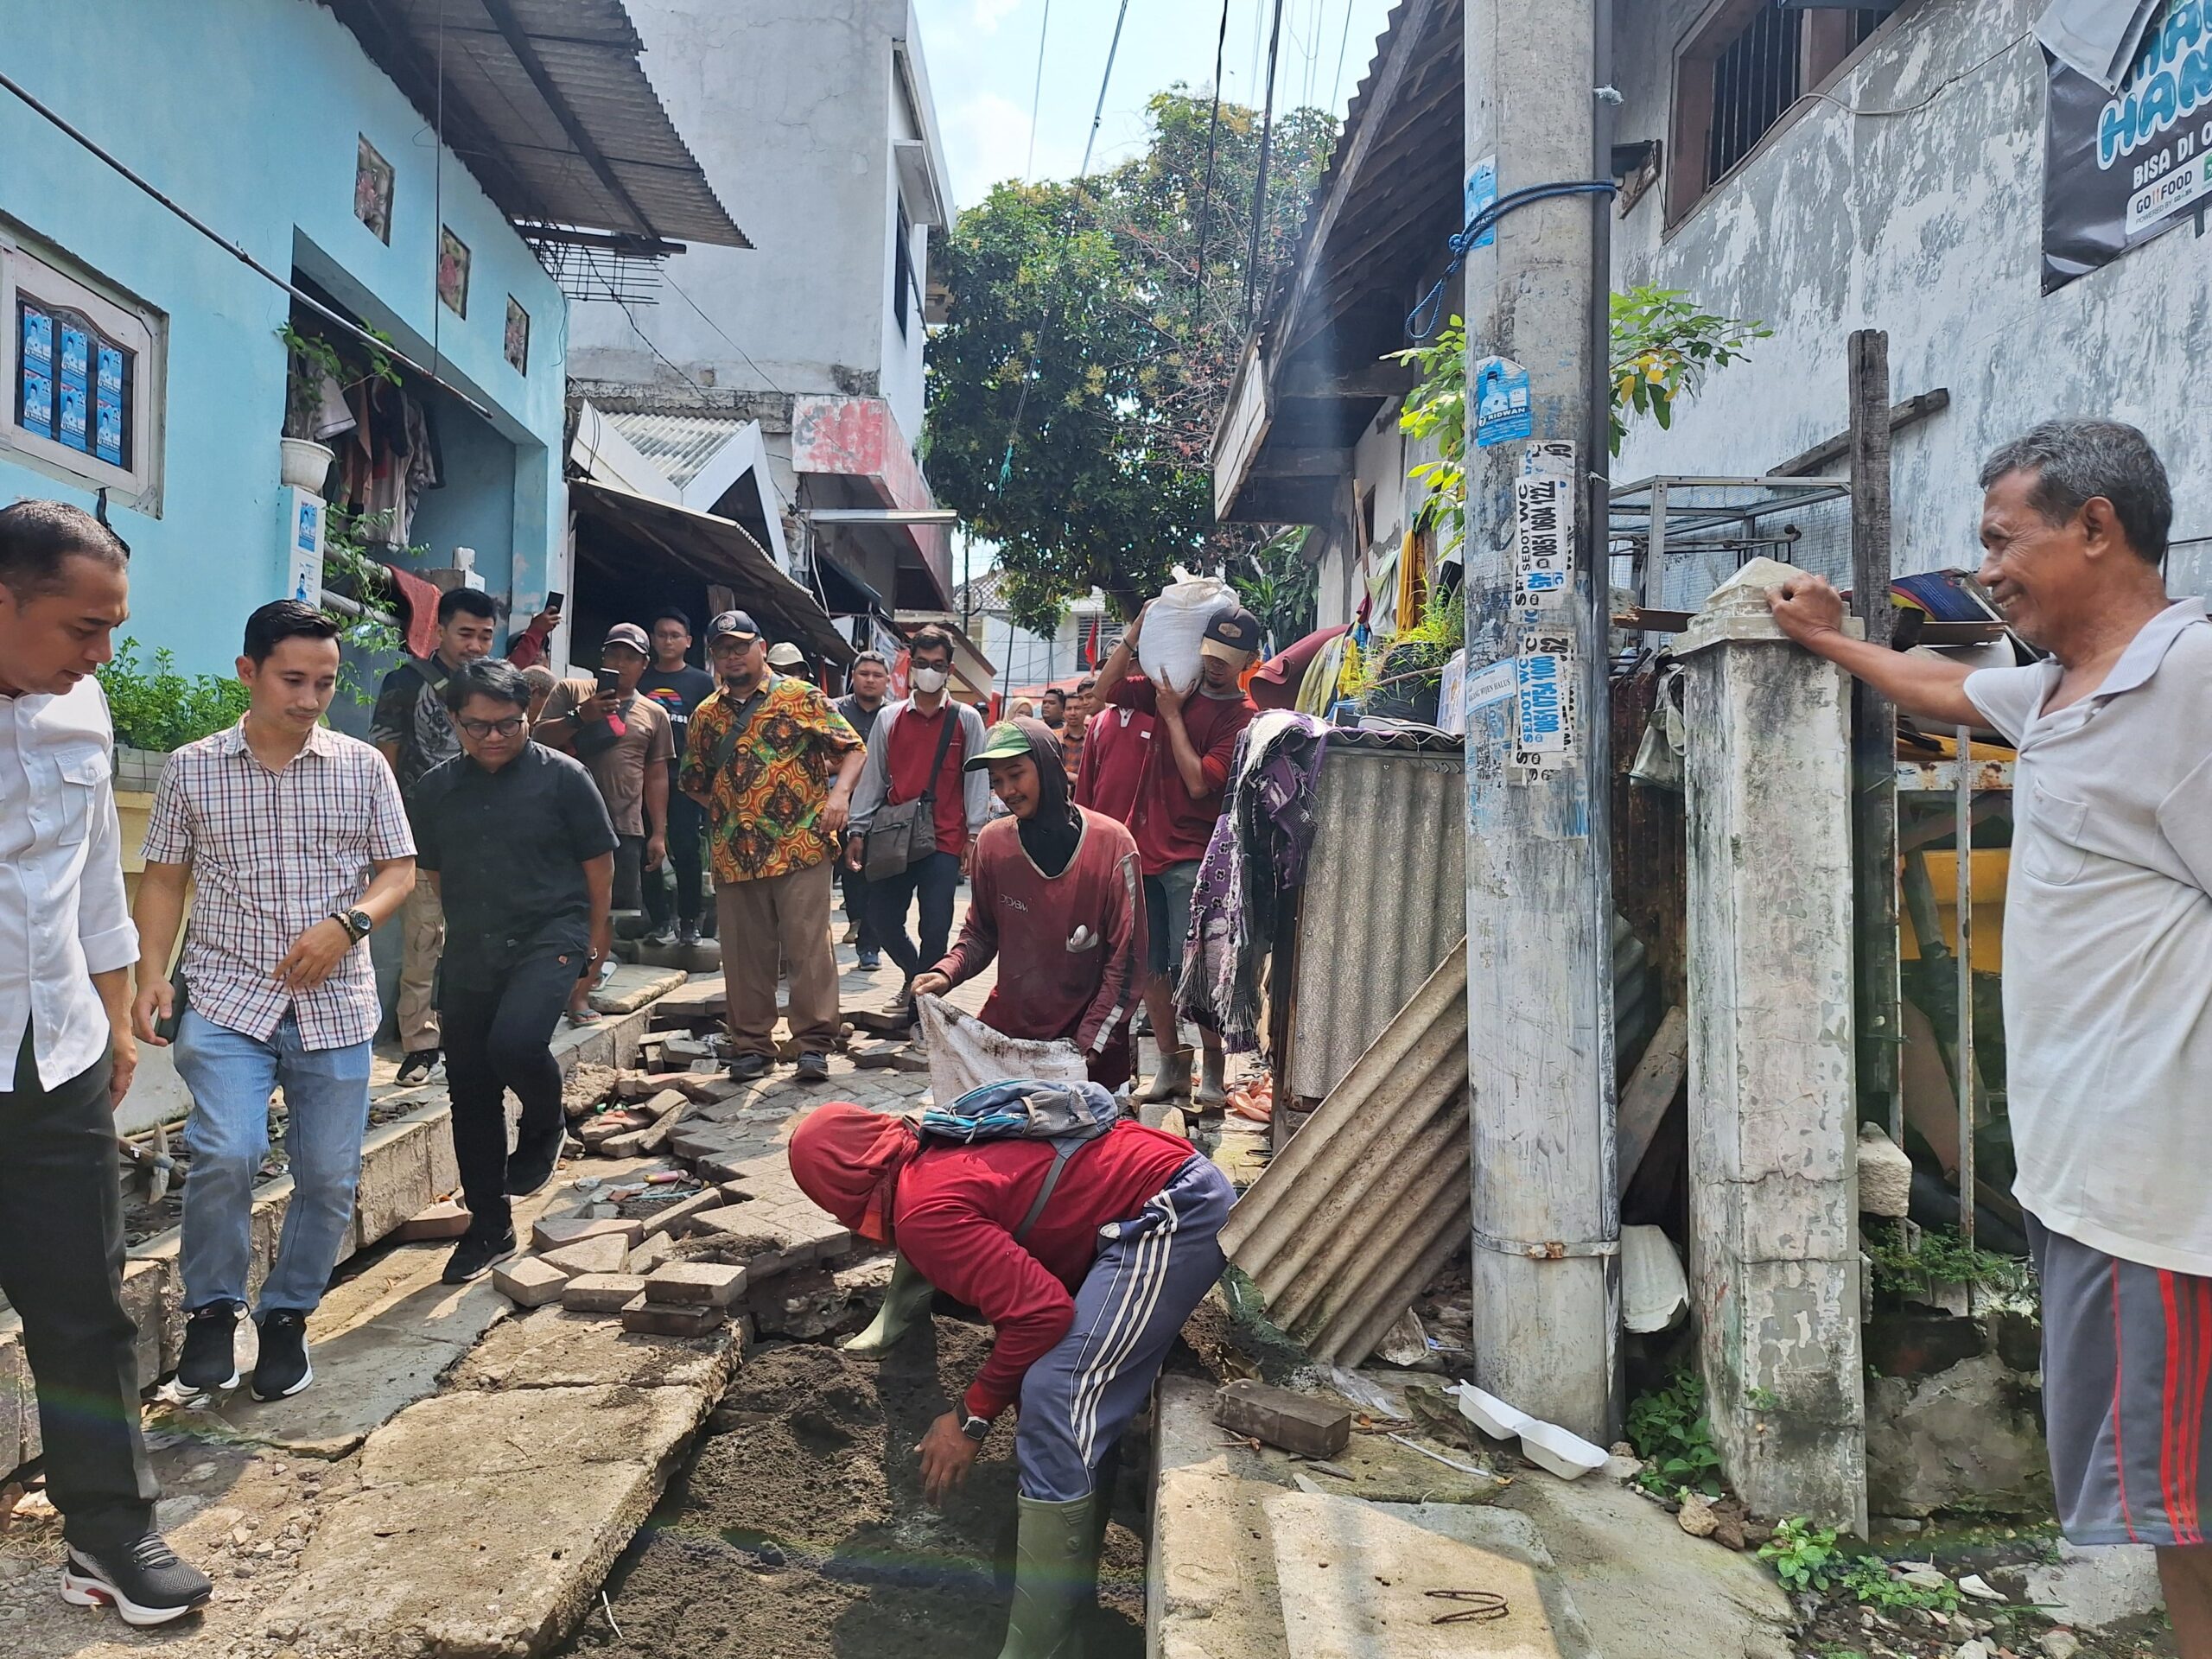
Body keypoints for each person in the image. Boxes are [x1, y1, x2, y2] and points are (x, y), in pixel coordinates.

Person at [1767, 420, 2212, 1654]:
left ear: (2098, 527)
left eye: (2003, 540)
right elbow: (1940, 687)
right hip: (2096, 1180)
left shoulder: (2189, 683)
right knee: (2172, 1505)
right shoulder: (2063, 691)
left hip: (2165, 1188)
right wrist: (1821, 636)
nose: (1989, 570)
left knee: (2185, 1498)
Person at [787, 1092, 1231, 1659]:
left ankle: (1043, 1646)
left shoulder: (924, 1209)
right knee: (1045, 1388)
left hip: (1171, 1213)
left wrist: (968, 1420)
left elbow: (1041, 1313)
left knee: (1058, 1390)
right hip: (1146, 1197)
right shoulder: (929, 1151)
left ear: (839, 1189)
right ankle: (1066, 1596)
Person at [0, 499, 211, 1624]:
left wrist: (120, 1019)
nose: (102, 652)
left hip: (58, 1056)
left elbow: (93, 885)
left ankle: (111, 1535)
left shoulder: (79, 706)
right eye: (84, 627)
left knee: (85, 1307)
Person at [131, 602, 416, 1404]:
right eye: (293, 679)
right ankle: (214, 1308)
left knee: (327, 1176)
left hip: (336, 1004)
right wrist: (152, 972)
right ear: (248, 673)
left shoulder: (362, 767)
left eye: (324, 682)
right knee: (228, 1151)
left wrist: (349, 923)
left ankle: (286, 1315)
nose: (310, 697)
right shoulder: (194, 768)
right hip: (226, 994)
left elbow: (397, 870)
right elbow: (163, 876)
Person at [406, 660, 618, 1284]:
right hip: (473, 946)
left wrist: (595, 943)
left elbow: (598, 865)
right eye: (478, 727)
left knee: (518, 1042)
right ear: (454, 721)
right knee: (469, 1090)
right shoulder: (437, 789)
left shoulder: (565, 779)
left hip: (552, 930)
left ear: (527, 715)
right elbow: (437, 874)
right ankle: (489, 1226)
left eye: (508, 725)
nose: (494, 738)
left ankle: (545, 1120)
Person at [679, 611, 864, 1084]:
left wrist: (838, 797)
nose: (733, 655)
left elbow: (853, 748)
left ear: (761, 646)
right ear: (713, 656)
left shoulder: (800, 696)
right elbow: (694, 781)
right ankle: (752, 1046)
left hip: (801, 844)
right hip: (734, 853)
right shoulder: (705, 714)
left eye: (741, 645)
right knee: (745, 955)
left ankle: (814, 1043)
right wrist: (732, 810)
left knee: (808, 949)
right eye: (723, 648)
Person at [911, 719, 1145, 1088]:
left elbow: (1126, 962)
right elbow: (980, 933)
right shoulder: (993, 844)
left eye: (1016, 774)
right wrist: (945, 973)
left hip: (1088, 1047)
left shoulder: (1112, 844)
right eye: (996, 781)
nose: (1007, 790)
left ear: (1048, 765)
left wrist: (1088, 1046)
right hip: (1010, 1038)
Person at [1091, 604, 1261, 1108]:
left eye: (1228, 657)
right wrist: (1136, 632)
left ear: (1249, 659)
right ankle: (1170, 1066)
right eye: (1210, 651)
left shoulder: (1241, 716)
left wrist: (1170, 716)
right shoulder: (1175, 684)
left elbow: (1196, 779)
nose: (1215, 664)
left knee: (1200, 970)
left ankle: (1213, 1071)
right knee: (1149, 969)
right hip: (1145, 853)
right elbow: (1103, 693)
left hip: (1195, 857)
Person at [371, 586, 497, 1084]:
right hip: (421, 835)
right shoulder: (405, 682)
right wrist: (386, 827)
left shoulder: (494, 684)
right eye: (465, 633)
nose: (475, 646)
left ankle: (475, 1034)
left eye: (485, 636)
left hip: (487, 837)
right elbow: (386, 755)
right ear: (439, 630)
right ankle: (420, 1043)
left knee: (483, 939)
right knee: (424, 940)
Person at [846, 626, 989, 1023]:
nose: (929, 671)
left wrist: (974, 836)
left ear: (950, 669)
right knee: (881, 919)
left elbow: (976, 779)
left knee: (936, 927)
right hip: (894, 838)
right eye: (922, 664)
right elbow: (873, 777)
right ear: (911, 666)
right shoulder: (890, 719)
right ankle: (916, 977)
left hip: (945, 839)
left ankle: (922, 1010)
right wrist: (857, 830)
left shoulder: (967, 721)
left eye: (938, 665)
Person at [536, 624, 673, 1022]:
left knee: (604, 913)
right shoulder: (571, 691)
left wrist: (658, 832)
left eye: (629, 657)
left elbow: (657, 775)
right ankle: (546, 992)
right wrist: (583, 716)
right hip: (559, 822)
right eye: (613, 655)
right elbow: (537, 739)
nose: (620, 664)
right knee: (552, 908)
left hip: (622, 826)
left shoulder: (654, 714)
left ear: (644, 664)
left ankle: (580, 996)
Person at [637, 609, 716, 947]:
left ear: (688, 641)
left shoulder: (701, 682)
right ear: (652, 640)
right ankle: (658, 921)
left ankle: (688, 922)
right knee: (646, 849)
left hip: (685, 779)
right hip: (643, 776)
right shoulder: (640, 679)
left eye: (674, 635)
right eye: (661, 634)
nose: (667, 640)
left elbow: (711, 732)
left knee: (686, 849)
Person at [835, 650, 893, 970]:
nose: (870, 679)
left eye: (877, 675)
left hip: (883, 811)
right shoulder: (834, 711)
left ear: (887, 681)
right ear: (853, 677)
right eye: (864, 674)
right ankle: (855, 919)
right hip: (838, 805)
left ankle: (869, 946)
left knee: (876, 877)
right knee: (848, 874)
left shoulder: (896, 715)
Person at [1072, 676, 1153, 824]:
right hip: (1101, 820)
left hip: (1144, 823)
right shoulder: (1098, 722)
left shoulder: (1156, 718)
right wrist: (1082, 820)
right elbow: (1086, 778)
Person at [1058, 676, 1096, 785]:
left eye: (1077, 708)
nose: (1073, 713)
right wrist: (1070, 776)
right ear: (1063, 712)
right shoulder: (1053, 738)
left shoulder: (1093, 738)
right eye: (1069, 709)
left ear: (1085, 710)